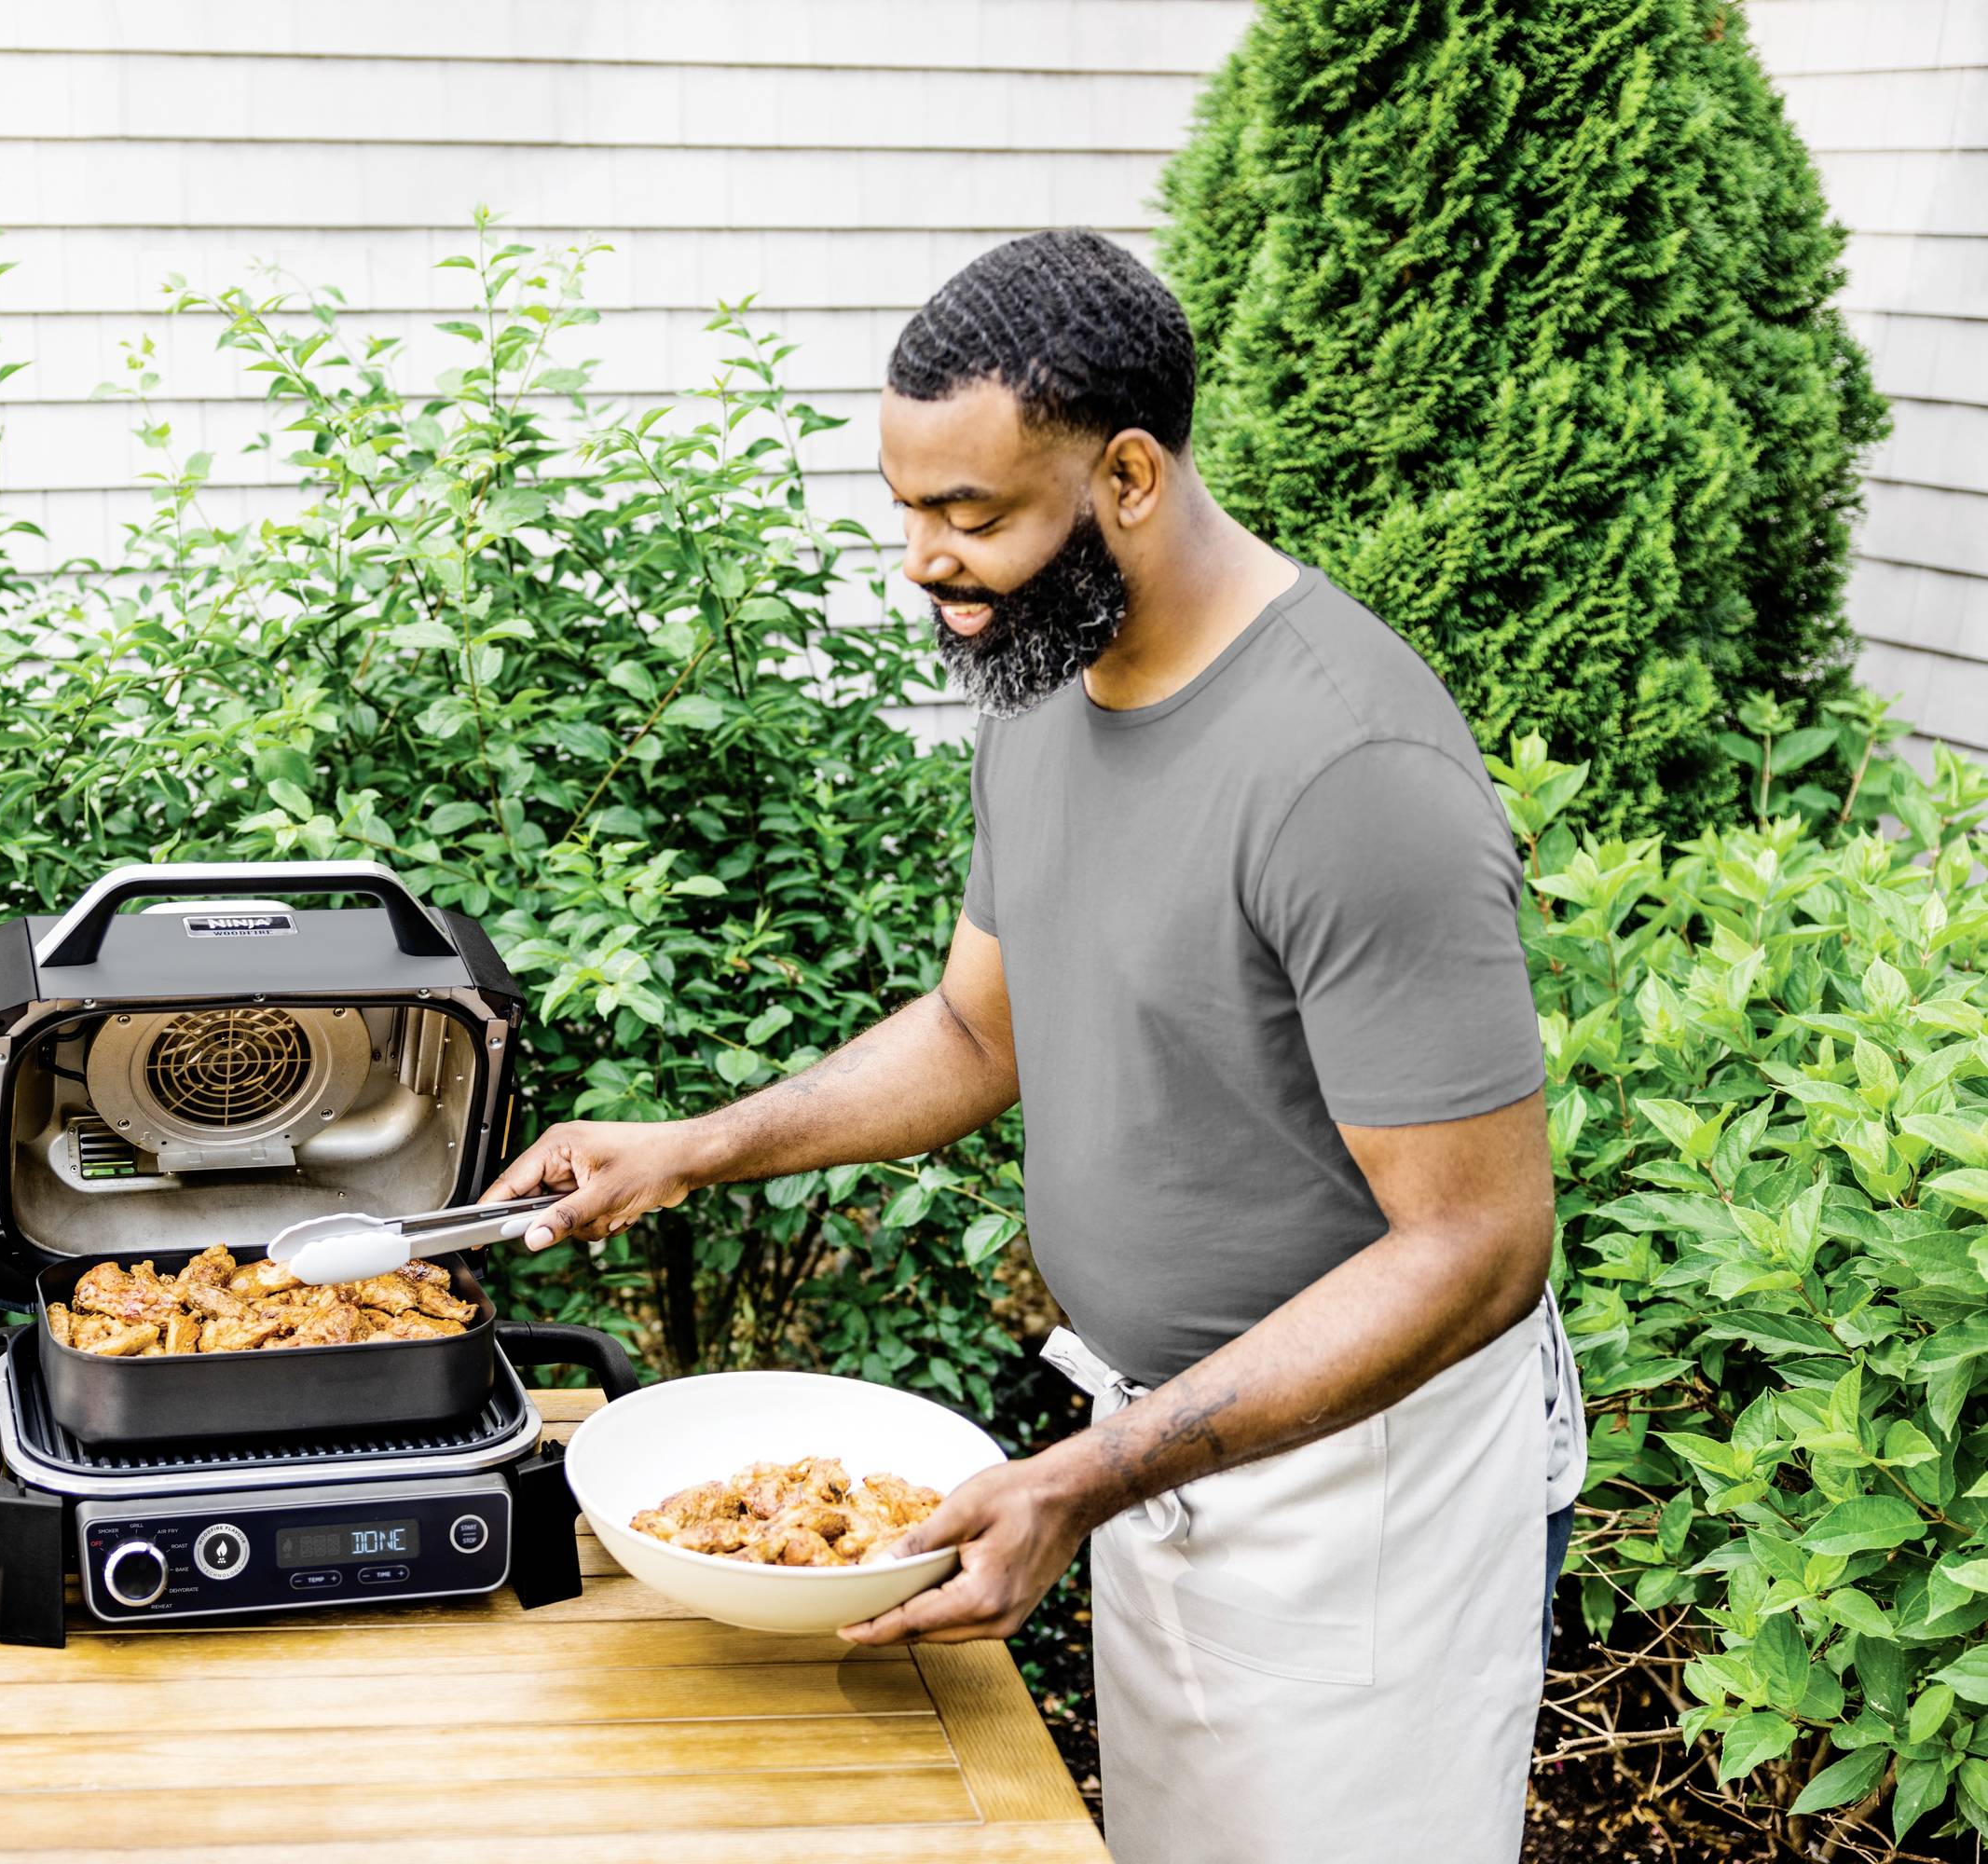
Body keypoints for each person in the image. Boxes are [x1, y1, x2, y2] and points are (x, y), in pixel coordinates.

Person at [480, 229, 1584, 1863]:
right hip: (1165, 1453)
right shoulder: (1048, 685)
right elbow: (975, 1029)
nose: (923, 558)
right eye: (909, 503)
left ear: (1128, 473)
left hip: (1363, 1502)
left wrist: (1088, 1476)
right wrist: (690, 1150)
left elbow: (1480, 1245)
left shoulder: (1350, 771)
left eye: (971, 513)